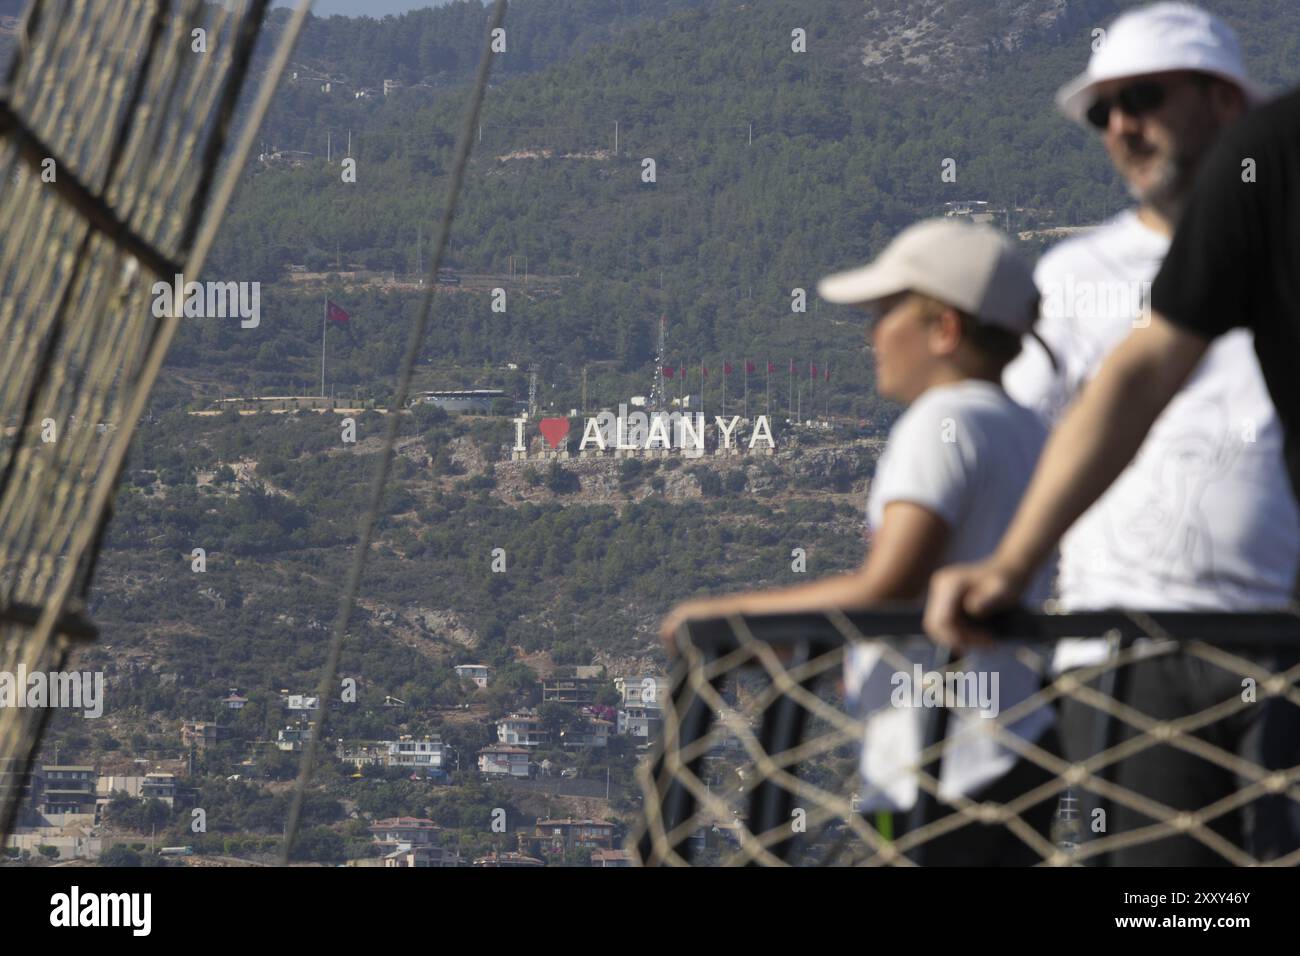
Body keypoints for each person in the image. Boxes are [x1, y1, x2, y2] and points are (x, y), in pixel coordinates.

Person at [924, 77, 1300, 865]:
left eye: (1147, 99)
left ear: (1223, 98)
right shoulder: (1270, 158)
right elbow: (1125, 386)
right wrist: (1012, 565)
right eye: (1105, 113)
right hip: (1137, 648)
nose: (1124, 127)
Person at [659, 219, 1061, 863]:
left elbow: (893, 586)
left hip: (942, 760)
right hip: (1017, 739)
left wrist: (726, 619)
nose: (872, 337)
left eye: (883, 315)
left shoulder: (940, 422)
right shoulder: (1025, 428)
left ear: (944, 329)